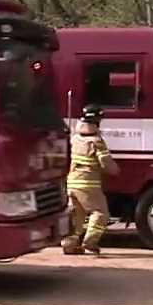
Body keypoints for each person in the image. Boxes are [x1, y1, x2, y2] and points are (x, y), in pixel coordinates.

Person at [61, 104, 119, 255]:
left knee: (76, 216)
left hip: (71, 183)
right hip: (88, 185)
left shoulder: (75, 138)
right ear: (97, 122)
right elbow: (106, 164)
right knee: (100, 213)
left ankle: (69, 244)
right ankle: (90, 243)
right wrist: (116, 170)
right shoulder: (96, 141)